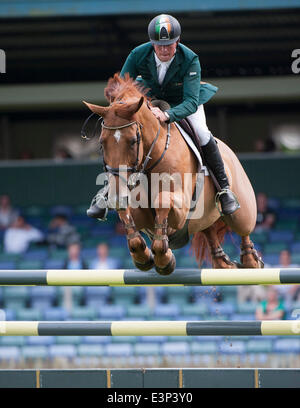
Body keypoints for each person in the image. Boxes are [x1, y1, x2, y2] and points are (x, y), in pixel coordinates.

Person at [87, 14, 239, 220]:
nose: (165, 49)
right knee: (118, 136)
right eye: (160, 45)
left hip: (183, 103)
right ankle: (106, 190)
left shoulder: (190, 59)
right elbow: (121, 88)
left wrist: (168, 114)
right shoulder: (138, 54)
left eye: (169, 44)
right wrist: (118, 109)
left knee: (203, 133)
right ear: (152, 43)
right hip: (150, 101)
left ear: (178, 41)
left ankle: (224, 189)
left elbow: (192, 101)